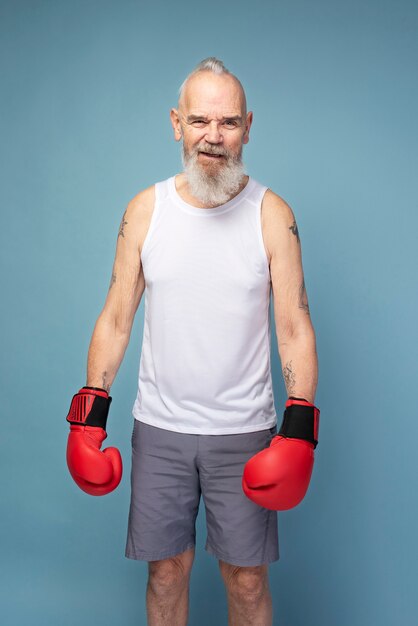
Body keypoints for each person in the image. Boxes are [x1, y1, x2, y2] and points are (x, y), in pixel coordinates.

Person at [65, 57, 319, 626]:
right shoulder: (146, 211)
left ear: (248, 127)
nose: (214, 136)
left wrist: (300, 428)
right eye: (200, 121)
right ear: (176, 124)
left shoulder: (272, 215)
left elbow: (294, 326)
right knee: (166, 572)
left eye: (227, 122)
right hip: (161, 429)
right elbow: (115, 319)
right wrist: (87, 417)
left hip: (246, 432)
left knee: (248, 581)